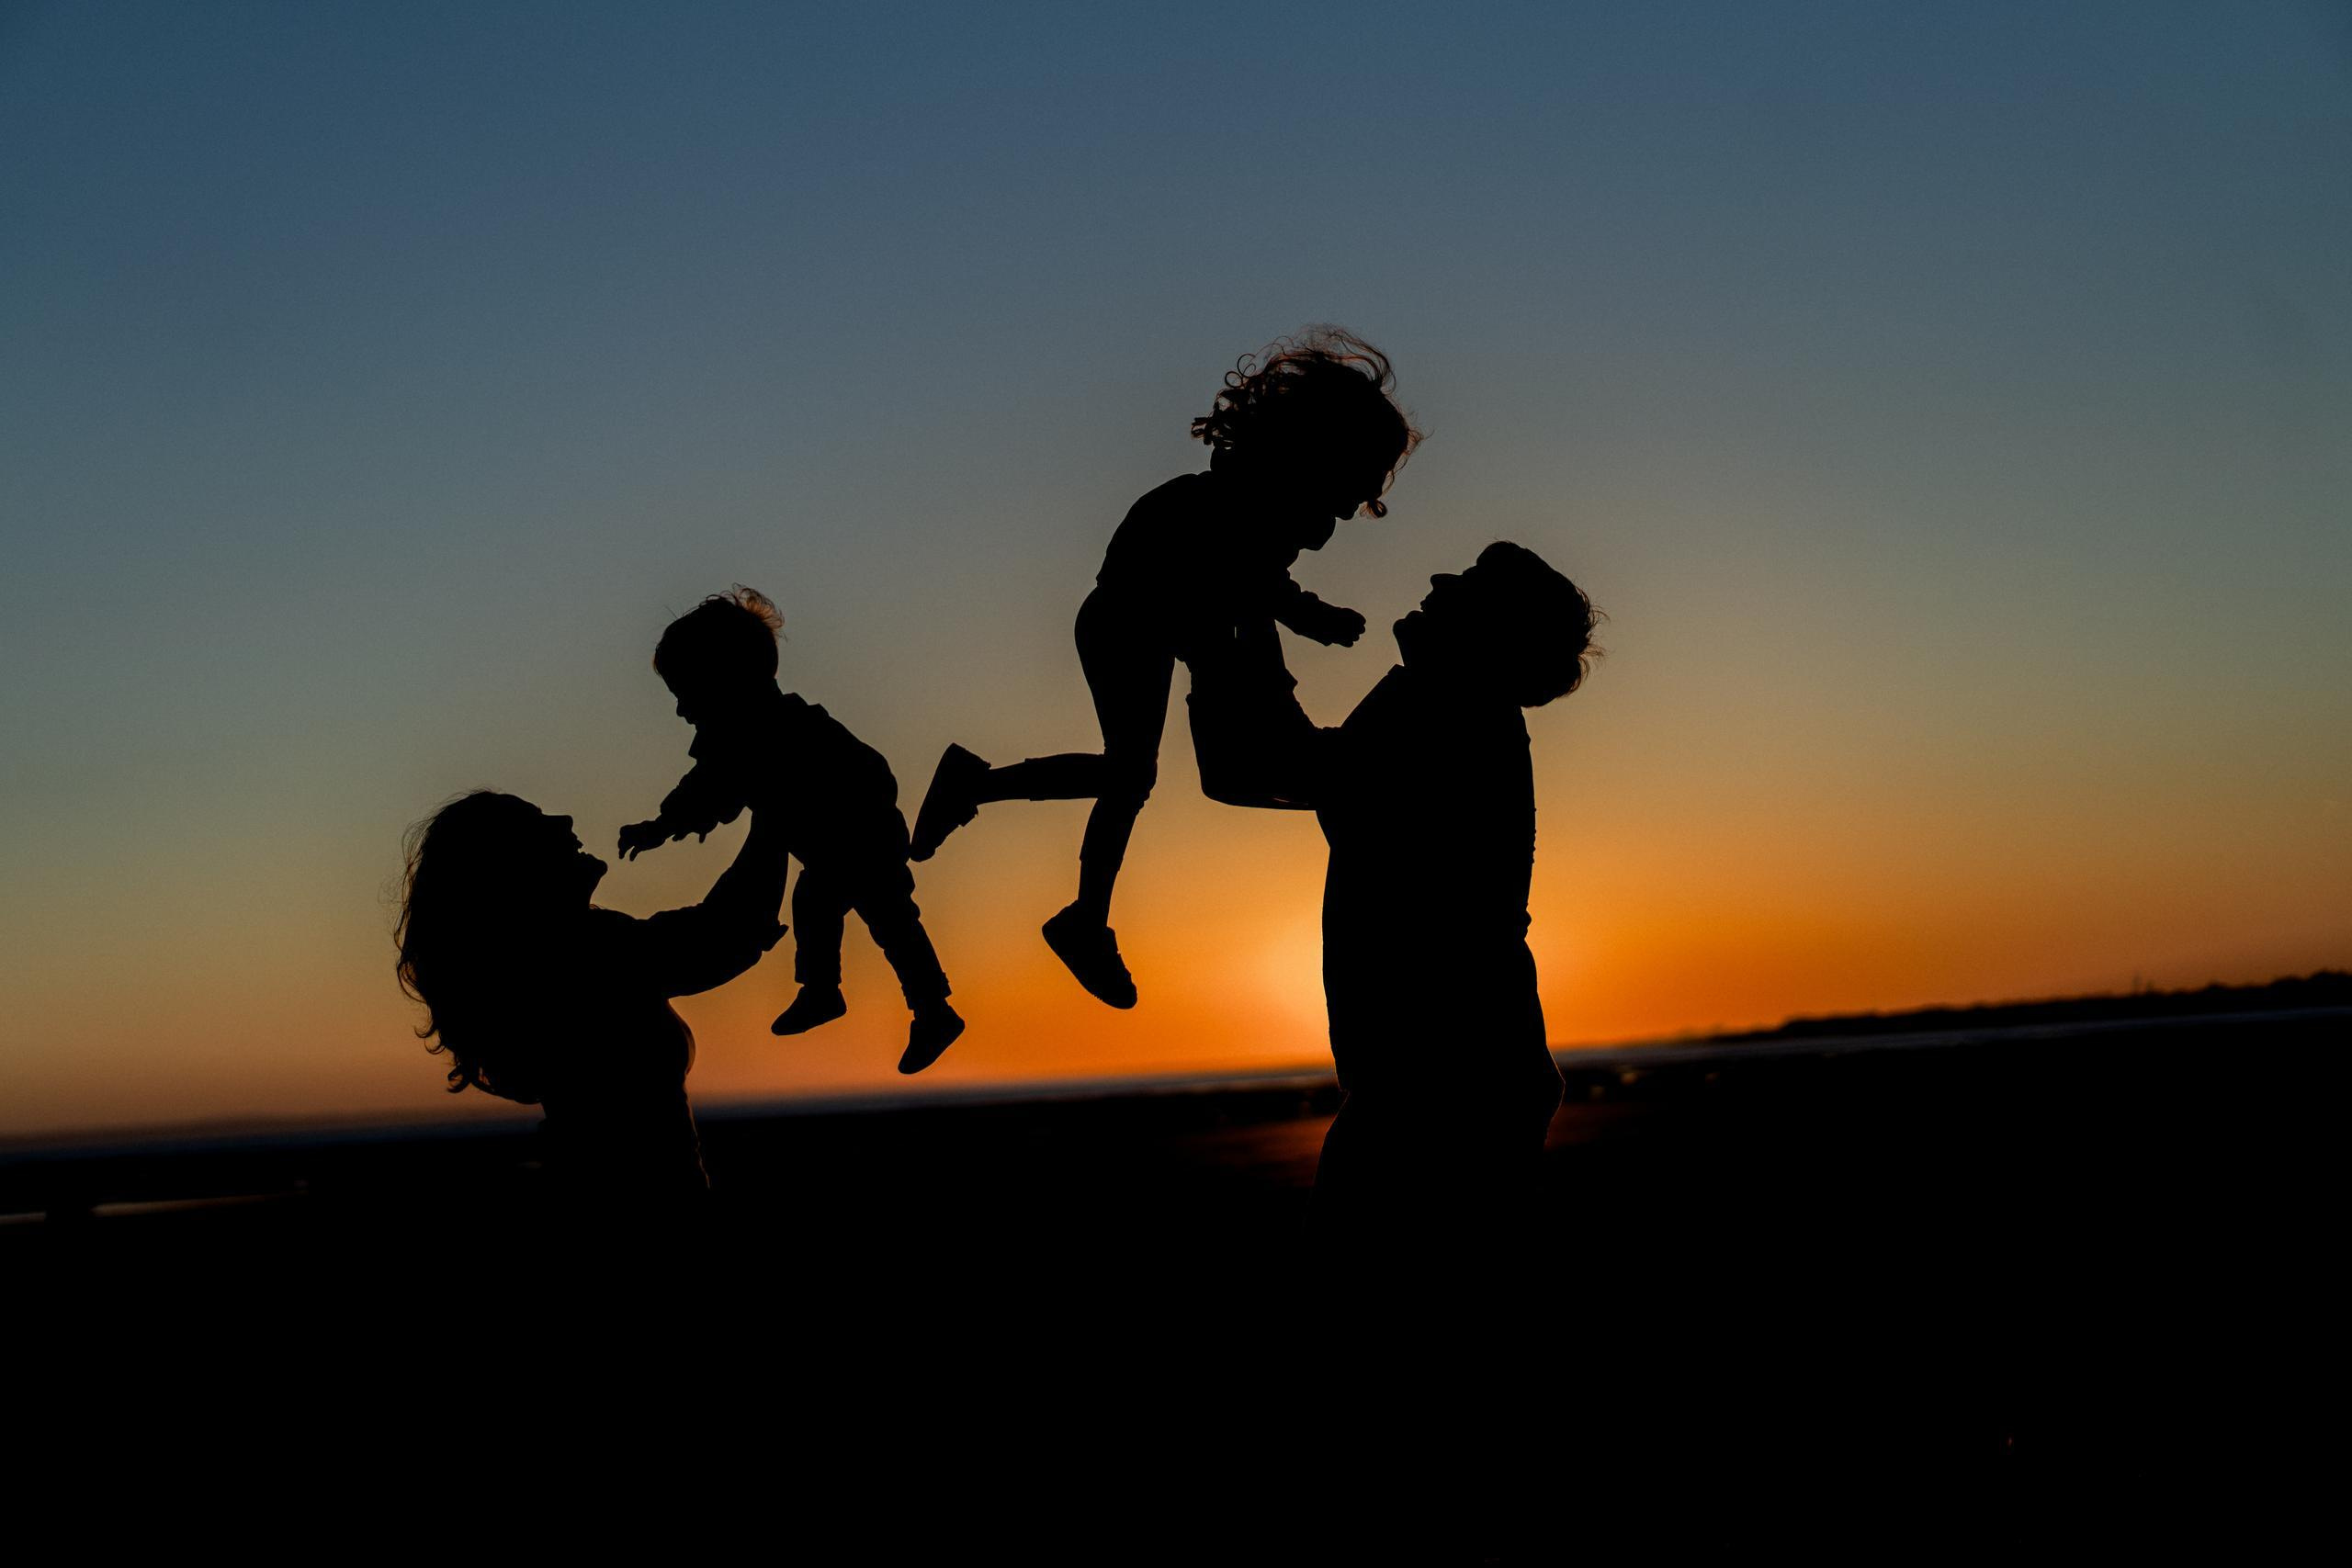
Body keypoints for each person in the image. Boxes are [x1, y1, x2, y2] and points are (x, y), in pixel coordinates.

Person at [907, 327, 1421, 1009]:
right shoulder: (1238, 501)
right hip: (1127, 625)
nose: (1352, 505)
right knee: (1129, 772)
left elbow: (1249, 583)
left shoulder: (1252, 499)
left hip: (1157, 627)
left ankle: (1078, 907)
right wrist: (1306, 618)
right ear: (1320, 450)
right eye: (1358, 476)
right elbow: (1242, 575)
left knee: (1129, 774)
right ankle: (1013, 830)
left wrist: (1286, 625)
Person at [1201, 541, 1600, 1270]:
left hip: (1446, 1091)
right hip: (1452, 1080)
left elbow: (1276, 765)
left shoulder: (1449, 711)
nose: (1437, 579)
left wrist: (1244, 608)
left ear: (1492, 631)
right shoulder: (1445, 705)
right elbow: (1249, 771)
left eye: (1469, 584)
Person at [620, 586, 964, 1075]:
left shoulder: (771, 731)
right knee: (855, 913)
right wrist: (666, 823)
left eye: (685, 693)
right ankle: (862, 998)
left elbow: (714, 789)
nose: (681, 710)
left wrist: (664, 824)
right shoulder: (760, 730)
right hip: (841, 847)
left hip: (860, 839)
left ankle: (909, 1006)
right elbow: (712, 790)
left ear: (725, 680)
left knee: (882, 918)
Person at [394, 789, 788, 1205]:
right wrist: (778, 806)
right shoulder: (577, 955)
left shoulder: (570, 951)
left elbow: (722, 933)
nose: (564, 820)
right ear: (513, 869)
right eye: (538, 822)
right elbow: (724, 933)